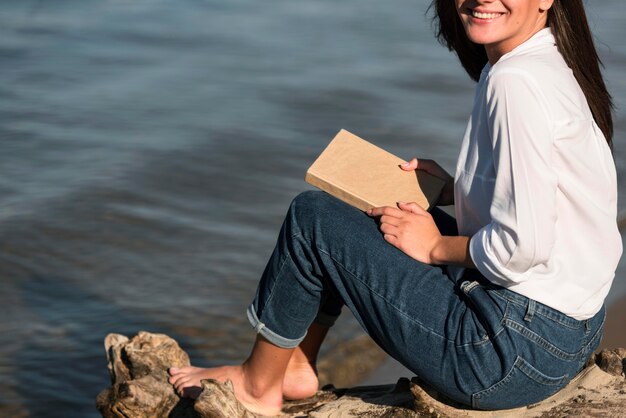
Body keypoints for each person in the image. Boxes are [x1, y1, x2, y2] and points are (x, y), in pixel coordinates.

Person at [168, 0, 622, 414]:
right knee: (365, 214)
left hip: (504, 357)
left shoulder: (514, 81)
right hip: (569, 336)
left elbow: (523, 245)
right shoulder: (549, 63)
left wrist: (435, 247)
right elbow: (557, 202)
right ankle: (296, 365)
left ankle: (257, 385)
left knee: (313, 219)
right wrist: (458, 190)